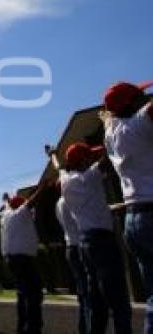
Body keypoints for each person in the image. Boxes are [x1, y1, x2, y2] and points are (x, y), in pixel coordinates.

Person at [50, 143, 133, 334]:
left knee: (96, 300)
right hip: (103, 242)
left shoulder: (66, 182)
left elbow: (59, 167)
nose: (93, 160)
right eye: (90, 157)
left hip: (86, 243)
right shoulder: (89, 177)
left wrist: (53, 155)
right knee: (118, 300)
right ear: (83, 161)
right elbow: (109, 157)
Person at [101, 81, 153, 334]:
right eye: (141, 96)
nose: (145, 98)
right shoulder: (140, 123)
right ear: (131, 103)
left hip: (134, 218)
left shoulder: (111, 133)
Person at [0, 181, 49, 334]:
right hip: (23, 260)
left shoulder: (6, 215)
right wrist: (42, 188)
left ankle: (22, 326)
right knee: (34, 295)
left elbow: (7, 204)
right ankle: (32, 328)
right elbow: (32, 202)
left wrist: (5, 199)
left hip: (12, 259)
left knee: (22, 294)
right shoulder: (20, 213)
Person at [55, 195, 90, 334]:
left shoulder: (59, 203)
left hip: (71, 246)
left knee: (83, 292)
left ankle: (84, 327)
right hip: (80, 244)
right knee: (89, 293)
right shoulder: (73, 197)